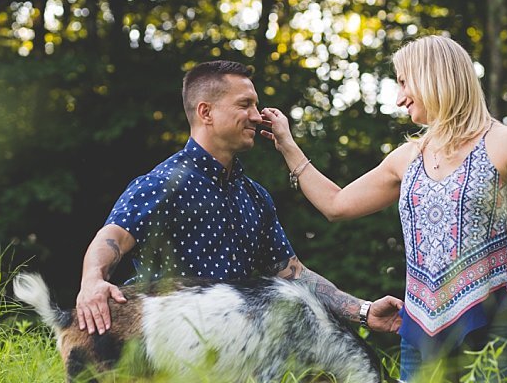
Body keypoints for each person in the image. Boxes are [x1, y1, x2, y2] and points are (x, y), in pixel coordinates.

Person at [262, 34, 507, 383]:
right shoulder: (406, 158)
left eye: (403, 82)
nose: (399, 98)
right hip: (419, 333)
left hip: (494, 327)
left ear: (434, 76)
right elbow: (336, 204)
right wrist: (287, 146)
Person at [72, 60, 402, 336]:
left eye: (256, 104)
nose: (258, 115)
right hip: (162, 355)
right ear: (206, 112)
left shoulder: (255, 197)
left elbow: (294, 274)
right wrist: (92, 282)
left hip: (234, 359)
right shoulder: (164, 182)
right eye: (245, 105)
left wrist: (364, 311)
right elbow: (112, 236)